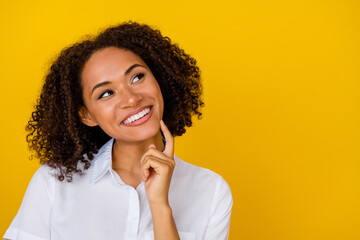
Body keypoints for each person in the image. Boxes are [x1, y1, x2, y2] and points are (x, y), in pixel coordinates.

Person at [4, 22, 233, 240]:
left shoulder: (210, 190)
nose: (132, 99)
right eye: (106, 93)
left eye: (137, 77)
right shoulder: (54, 182)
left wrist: (160, 207)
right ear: (87, 115)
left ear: (159, 79)